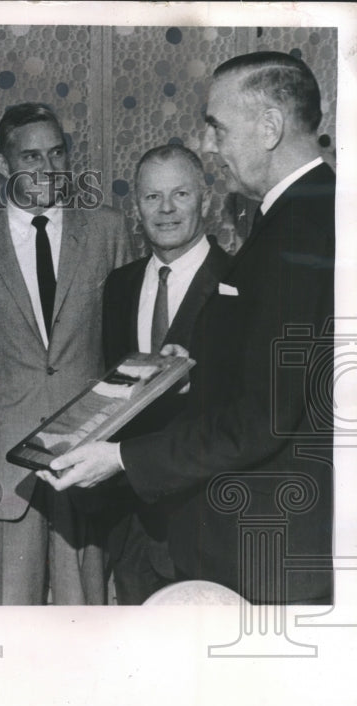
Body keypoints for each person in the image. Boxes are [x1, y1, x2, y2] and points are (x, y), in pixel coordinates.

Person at [41, 52, 335, 605]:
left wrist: (123, 458)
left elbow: (265, 418)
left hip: (271, 538)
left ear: (269, 127)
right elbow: (292, 375)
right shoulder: (312, 212)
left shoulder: (299, 231)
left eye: (218, 127)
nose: (210, 145)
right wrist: (197, 371)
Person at [0, 102, 131, 605]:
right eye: (30, 158)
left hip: (86, 458)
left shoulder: (108, 231)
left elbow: (126, 353)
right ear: (3, 165)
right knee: (12, 619)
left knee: (85, 615)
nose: (47, 170)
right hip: (6, 468)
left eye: (56, 154)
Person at [100, 144, 232, 604]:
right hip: (133, 526)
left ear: (206, 200)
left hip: (210, 523)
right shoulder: (119, 287)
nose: (167, 209)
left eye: (180, 194)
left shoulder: (240, 283)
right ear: (136, 205)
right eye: (152, 197)